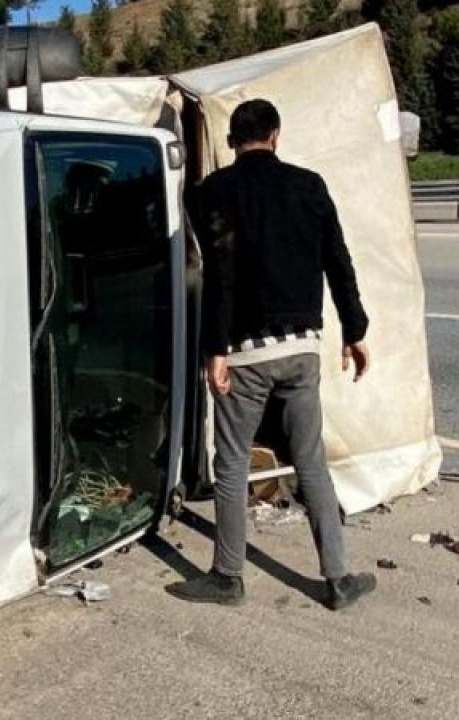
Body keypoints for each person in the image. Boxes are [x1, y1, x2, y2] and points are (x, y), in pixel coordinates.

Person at [166, 99, 377, 611]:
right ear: (276, 135)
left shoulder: (212, 192)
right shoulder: (310, 186)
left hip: (244, 353)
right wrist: (355, 329)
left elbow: (220, 274)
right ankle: (338, 578)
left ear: (234, 141)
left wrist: (214, 349)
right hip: (303, 347)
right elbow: (338, 262)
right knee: (311, 462)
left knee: (234, 463)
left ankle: (227, 576)